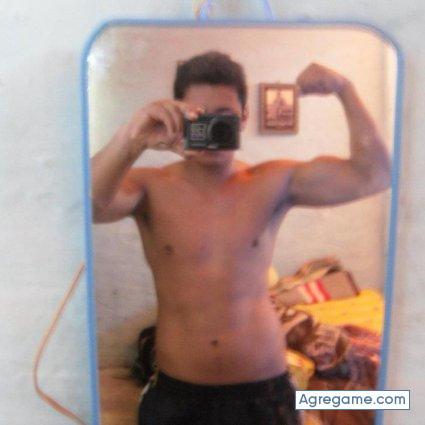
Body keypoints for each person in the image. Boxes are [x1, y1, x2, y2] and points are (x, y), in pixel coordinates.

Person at [90, 51, 391, 425]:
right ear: (179, 117)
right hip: (179, 395)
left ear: (244, 118)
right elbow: (85, 207)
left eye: (225, 116)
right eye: (199, 117)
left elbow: (374, 176)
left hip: (264, 392)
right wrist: (133, 138)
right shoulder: (149, 187)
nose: (212, 127)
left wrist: (345, 89)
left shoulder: (273, 181)